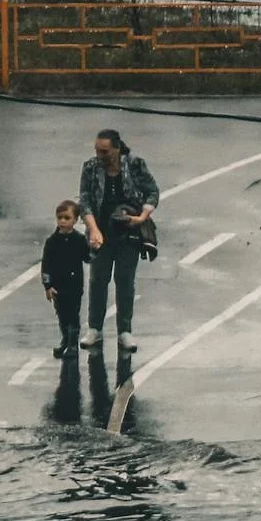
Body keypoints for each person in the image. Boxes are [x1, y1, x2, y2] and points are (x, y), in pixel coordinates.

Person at [78, 128, 160, 357]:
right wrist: (93, 230)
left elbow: (152, 191)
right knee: (97, 280)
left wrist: (141, 217)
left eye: (104, 151)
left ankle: (125, 330)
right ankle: (95, 328)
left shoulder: (135, 164)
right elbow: (84, 200)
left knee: (125, 282)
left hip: (128, 233)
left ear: (116, 149)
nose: (99, 155)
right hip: (101, 231)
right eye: (97, 150)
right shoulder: (91, 167)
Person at [41, 198, 91, 359]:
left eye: (67, 218)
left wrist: (95, 248)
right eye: (60, 217)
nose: (62, 221)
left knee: (73, 314)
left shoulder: (79, 240)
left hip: (74, 284)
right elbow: (46, 265)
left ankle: (72, 344)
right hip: (58, 285)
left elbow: (87, 257)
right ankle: (65, 339)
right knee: (62, 315)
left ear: (75, 220)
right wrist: (47, 285)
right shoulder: (52, 242)